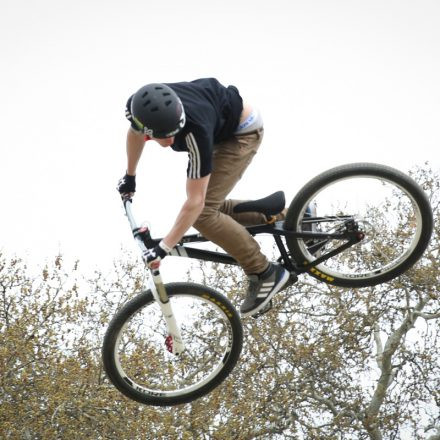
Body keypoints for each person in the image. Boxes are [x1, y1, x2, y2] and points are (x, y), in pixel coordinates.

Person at [117, 78, 290, 317]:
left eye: (172, 135)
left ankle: (264, 272)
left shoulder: (196, 132)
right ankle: (289, 217)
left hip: (241, 132)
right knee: (210, 208)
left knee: (204, 214)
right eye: (162, 137)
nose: (167, 143)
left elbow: (195, 203)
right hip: (219, 117)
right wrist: (130, 175)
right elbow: (135, 133)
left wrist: (164, 247)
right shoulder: (137, 108)